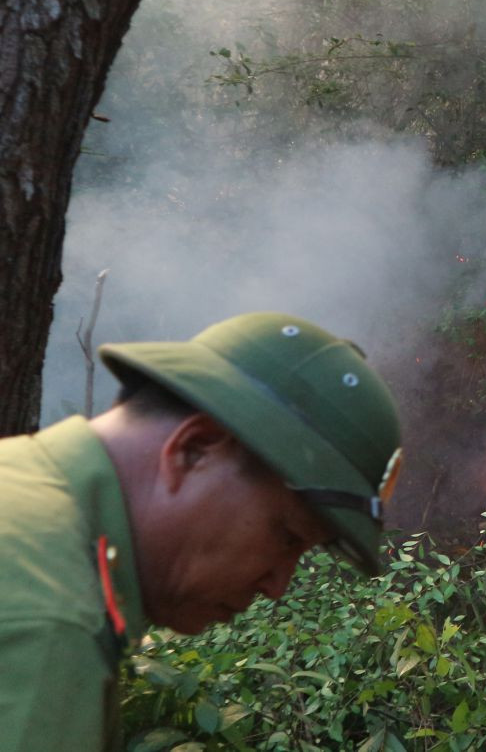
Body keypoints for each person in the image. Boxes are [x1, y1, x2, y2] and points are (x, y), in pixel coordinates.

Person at [0, 312, 403, 752]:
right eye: (287, 536)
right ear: (193, 450)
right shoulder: (54, 615)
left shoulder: (23, 489)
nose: (277, 586)